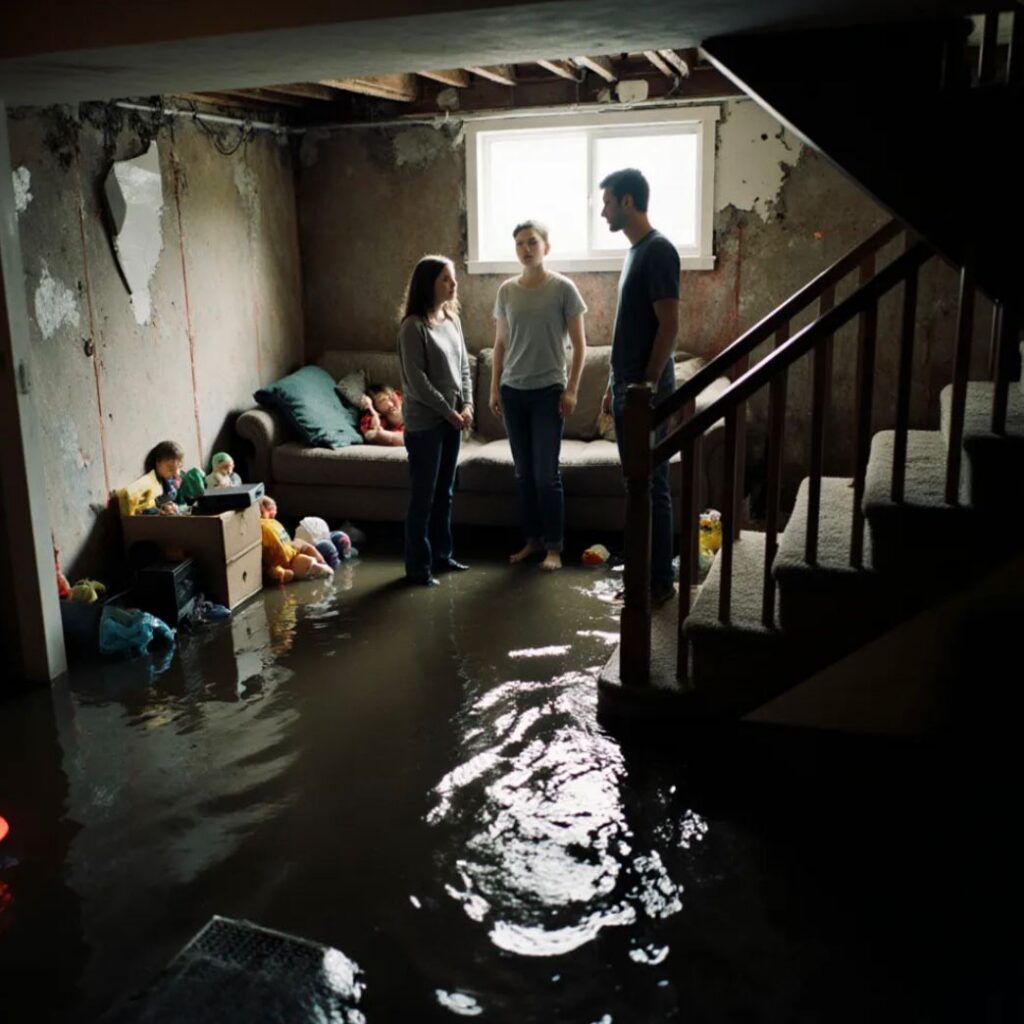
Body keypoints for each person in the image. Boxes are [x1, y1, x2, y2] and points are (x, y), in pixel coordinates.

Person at [599, 168, 680, 606]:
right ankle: (644, 578)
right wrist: (613, 386)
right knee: (640, 486)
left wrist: (645, 384)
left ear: (628, 202)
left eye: (607, 202)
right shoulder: (635, 252)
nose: (602, 211)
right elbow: (629, 330)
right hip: (628, 389)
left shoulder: (659, 251)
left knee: (651, 486)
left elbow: (669, 326)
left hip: (645, 393)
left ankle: (658, 583)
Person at [489, 220, 586, 572]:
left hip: (548, 393)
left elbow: (580, 345)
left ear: (546, 246)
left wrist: (572, 389)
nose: (525, 249)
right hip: (513, 393)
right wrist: (494, 387)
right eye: (519, 244)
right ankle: (532, 540)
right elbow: (500, 343)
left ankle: (555, 547)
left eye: (532, 242)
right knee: (524, 473)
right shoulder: (506, 291)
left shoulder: (563, 289)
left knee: (547, 474)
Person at [397, 255, 474, 586]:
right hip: (426, 424)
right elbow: (417, 382)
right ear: (428, 284)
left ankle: (442, 557)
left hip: (452, 420)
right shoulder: (413, 327)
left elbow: (464, 368)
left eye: (452, 278)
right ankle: (418, 567)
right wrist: (449, 411)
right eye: (445, 279)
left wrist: (468, 404)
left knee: (446, 491)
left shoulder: (451, 320)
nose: (453, 284)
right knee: (424, 497)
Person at [258, 496, 334, 583]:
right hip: (280, 560)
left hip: (283, 557)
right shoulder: (271, 524)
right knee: (282, 573)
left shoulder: (271, 524)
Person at [142, 440, 186, 515]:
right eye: (171, 468)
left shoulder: (174, 481)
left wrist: (176, 507)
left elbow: (184, 504)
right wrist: (161, 510)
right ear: (157, 464)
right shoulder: (146, 485)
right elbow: (143, 509)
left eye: (179, 467)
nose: (176, 472)